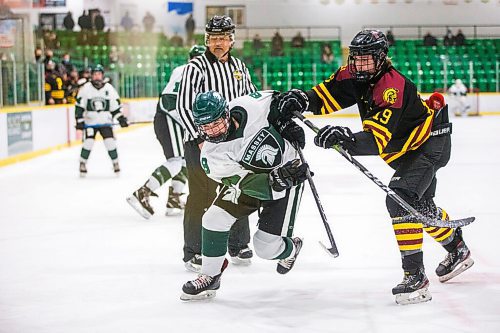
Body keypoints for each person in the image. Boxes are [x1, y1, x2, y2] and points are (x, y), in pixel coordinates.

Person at [278, 29, 474, 305]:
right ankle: (458, 249)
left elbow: (375, 140)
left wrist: (344, 137)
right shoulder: (353, 73)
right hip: (406, 149)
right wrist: (303, 99)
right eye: (355, 59)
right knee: (419, 206)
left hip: (429, 144)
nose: (359, 65)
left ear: (382, 58)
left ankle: (415, 276)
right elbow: (327, 94)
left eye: (366, 60)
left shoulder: (392, 87)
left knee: (400, 199)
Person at [180, 90, 308, 301]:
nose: (212, 131)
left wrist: (285, 121)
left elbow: (279, 100)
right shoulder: (212, 156)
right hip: (251, 181)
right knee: (213, 219)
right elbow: (244, 184)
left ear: (227, 114)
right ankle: (211, 275)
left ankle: (291, 248)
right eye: (206, 127)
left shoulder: (249, 104)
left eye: (216, 123)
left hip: (290, 171)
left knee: (266, 249)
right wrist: (276, 178)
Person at [176, 15, 256, 273]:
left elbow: (250, 99)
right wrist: (200, 139)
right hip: (201, 142)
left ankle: (238, 244)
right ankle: (194, 251)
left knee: (237, 190)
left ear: (232, 39)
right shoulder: (196, 67)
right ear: (206, 40)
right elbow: (184, 105)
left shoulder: (240, 67)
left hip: (233, 143)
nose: (218, 43)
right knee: (202, 196)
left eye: (222, 38)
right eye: (213, 38)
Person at [127, 45, 206, 219]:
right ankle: (142, 192)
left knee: (185, 161)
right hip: (171, 119)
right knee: (177, 161)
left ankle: (174, 199)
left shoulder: (188, 71)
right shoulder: (191, 72)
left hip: (173, 120)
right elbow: (170, 100)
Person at [75, 65, 128, 177]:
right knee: (88, 143)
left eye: (99, 74)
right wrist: (79, 121)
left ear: (102, 75)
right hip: (90, 122)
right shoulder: (86, 89)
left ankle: (115, 163)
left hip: (105, 122)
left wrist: (121, 118)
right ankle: (82, 163)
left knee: (110, 143)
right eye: (94, 74)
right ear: (91, 76)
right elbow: (79, 106)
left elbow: (115, 107)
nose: (97, 76)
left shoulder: (109, 89)